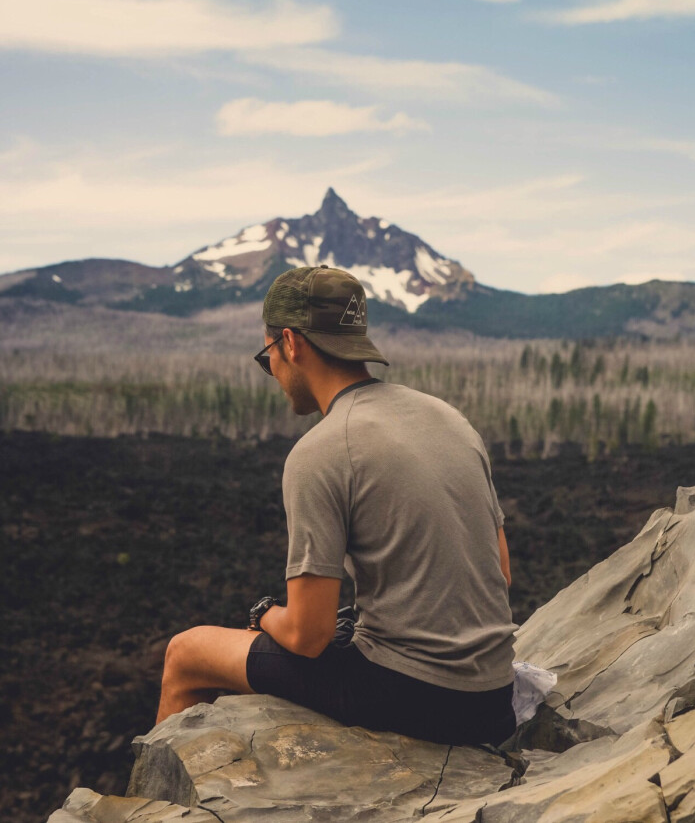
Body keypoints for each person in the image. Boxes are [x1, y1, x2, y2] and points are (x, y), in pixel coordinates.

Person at [156, 265, 517, 746]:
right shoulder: (449, 419)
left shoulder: (320, 452)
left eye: (269, 359)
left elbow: (308, 636)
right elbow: (502, 573)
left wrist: (264, 613)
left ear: (290, 343)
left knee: (186, 653)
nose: (275, 376)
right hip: (495, 698)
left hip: (417, 698)